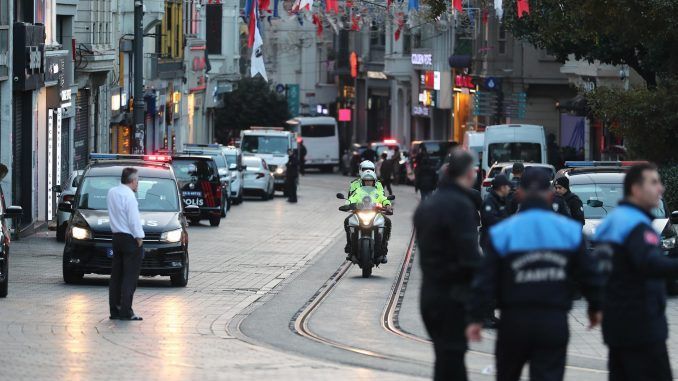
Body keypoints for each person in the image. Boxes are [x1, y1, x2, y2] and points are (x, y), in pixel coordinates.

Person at [466, 167, 603, 381]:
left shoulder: (504, 232)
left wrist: (475, 317)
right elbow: (589, 272)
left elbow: (486, 277)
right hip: (553, 321)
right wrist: (595, 307)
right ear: (550, 194)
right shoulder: (568, 231)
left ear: (519, 193)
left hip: (514, 321)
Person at [593, 163, 678, 381]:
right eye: (654, 182)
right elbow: (651, 264)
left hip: (617, 325)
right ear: (636, 189)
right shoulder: (636, 226)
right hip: (641, 327)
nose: (661, 189)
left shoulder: (612, 222)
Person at [413, 150, 483, 381]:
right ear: (469, 174)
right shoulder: (460, 206)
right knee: (452, 359)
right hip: (453, 297)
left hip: (430, 295)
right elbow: (470, 256)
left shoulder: (427, 206)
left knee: (445, 356)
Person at [107, 167, 145, 321]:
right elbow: (133, 219)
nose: (138, 184)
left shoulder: (112, 192)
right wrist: (139, 238)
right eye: (137, 180)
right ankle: (126, 311)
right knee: (130, 276)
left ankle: (114, 310)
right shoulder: (129, 196)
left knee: (116, 275)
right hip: (129, 238)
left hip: (116, 237)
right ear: (132, 180)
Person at [345, 170, 393, 263]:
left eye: (370, 181)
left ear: (374, 182)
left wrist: (387, 205)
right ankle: (350, 247)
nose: (368, 182)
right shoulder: (358, 191)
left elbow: (384, 199)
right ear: (363, 182)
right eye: (366, 181)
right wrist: (348, 204)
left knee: (387, 221)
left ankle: (383, 249)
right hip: (360, 214)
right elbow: (351, 199)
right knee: (347, 221)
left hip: (375, 214)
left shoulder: (377, 191)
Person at [479, 174, 511, 250]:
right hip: (490, 241)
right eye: (507, 186)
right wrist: (509, 222)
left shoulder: (503, 200)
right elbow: (490, 219)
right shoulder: (490, 201)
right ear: (502, 188)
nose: (509, 189)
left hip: (499, 239)